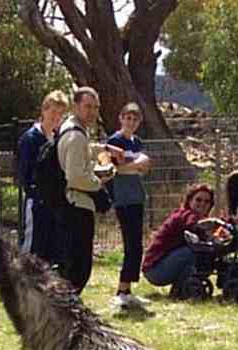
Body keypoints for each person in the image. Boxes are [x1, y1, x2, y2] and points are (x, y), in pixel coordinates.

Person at [56, 86, 115, 295]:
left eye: (95, 107)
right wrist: (99, 185)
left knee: (74, 265)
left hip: (74, 204)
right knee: (79, 267)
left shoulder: (74, 130)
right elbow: (75, 176)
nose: (92, 112)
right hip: (76, 205)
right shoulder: (75, 135)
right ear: (76, 107)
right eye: (87, 106)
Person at [105, 102, 153, 313]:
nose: (131, 122)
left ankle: (127, 289)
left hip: (137, 197)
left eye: (135, 119)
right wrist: (135, 164)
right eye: (128, 118)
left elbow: (145, 167)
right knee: (130, 243)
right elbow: (117, 169)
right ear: (121, 118)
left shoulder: (136, 141)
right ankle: (121, 292)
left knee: (137, 245)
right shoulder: (114, 141)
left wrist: (130, 164)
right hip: (123, 198)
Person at [141, 183, 222, 297]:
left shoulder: (199, 218)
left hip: (163, 265)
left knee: (201, 251)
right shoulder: (184, 215)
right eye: (198, 200)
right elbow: (193, 224)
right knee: (190, 252)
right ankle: (181, 291)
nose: (202, 204)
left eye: (206, 201)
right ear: (189, 201)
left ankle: (181, 289)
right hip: (155, 270)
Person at [17, 90, 69, 264]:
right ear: (44, 110)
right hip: (37, 203)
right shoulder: (30, 138)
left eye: (60, 113)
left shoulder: (57, 138)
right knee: (32, 250)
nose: (56, 117)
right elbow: (24, 175)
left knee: (50, 251)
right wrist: (37, 194)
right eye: (53, 111)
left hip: (55, 203)